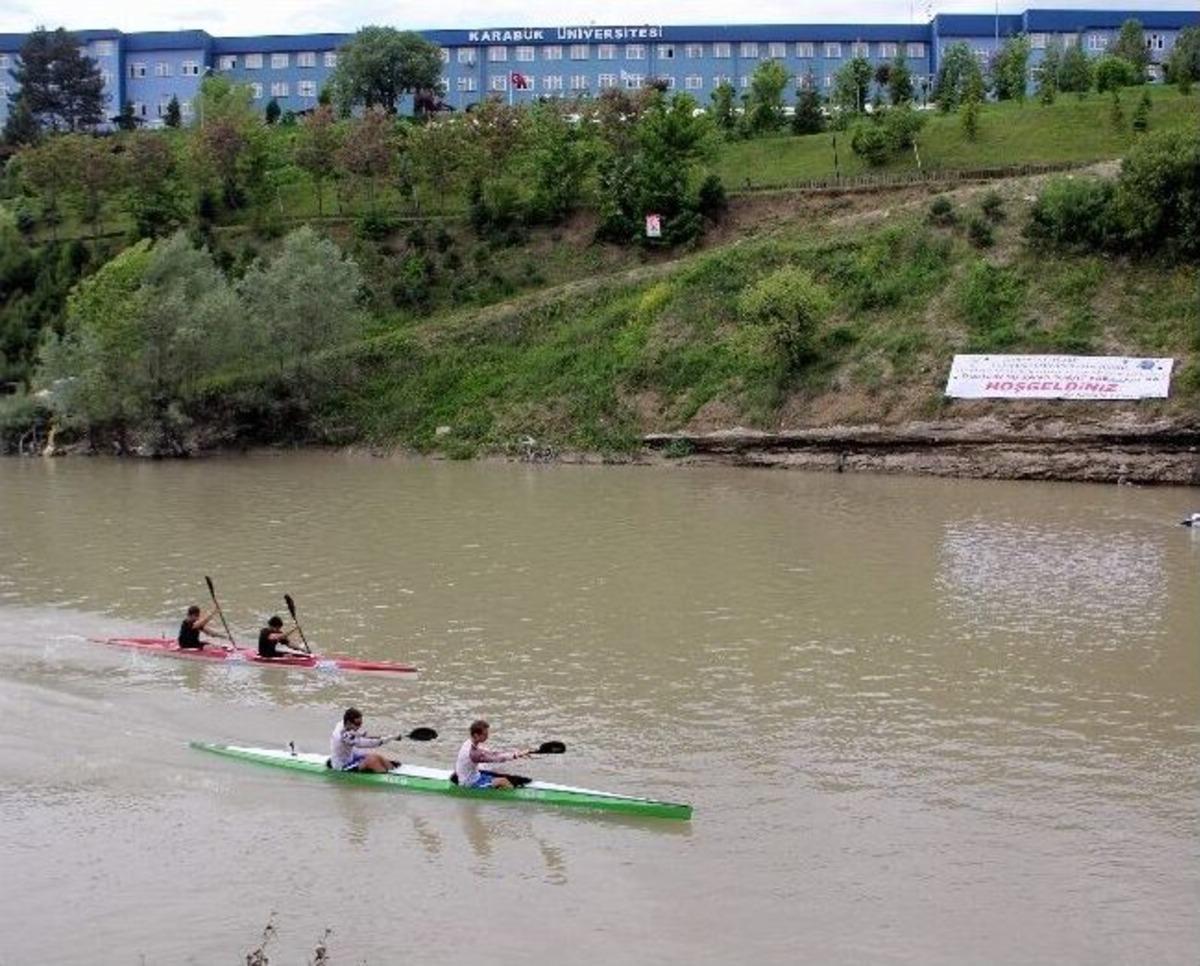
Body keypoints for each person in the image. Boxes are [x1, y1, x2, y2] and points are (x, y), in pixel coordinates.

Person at [453, 720, 532, 790]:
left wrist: (516, 753)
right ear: (476, 735)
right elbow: (496, 758)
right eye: (485, 734)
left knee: (498, 771)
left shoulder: (469, 742)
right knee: (503, 781)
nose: (487, 736)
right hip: (470, 784)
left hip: (475, 775)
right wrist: (516, 755)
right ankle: (513, 800)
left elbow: (492, 753)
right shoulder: (473, 753)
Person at [330, 707, 398, 773]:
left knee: (377, 756)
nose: (359, 726)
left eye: (360, 723)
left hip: (351, 757)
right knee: (372, 760)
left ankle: (394, 770)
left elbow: (362, 735)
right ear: (348, 722)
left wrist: (391, 737)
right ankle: (385, 777)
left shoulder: (344, 724)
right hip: (342, 766)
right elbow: (367, 743)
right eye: (357, 724)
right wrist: (385, 740)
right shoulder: (343, 736)